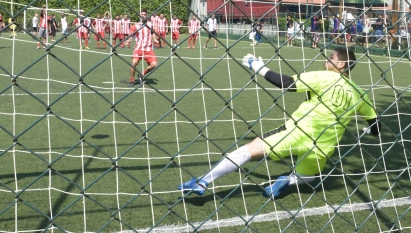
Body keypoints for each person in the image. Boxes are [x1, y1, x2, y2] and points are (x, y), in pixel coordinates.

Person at [178, 47, 380, 198]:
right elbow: (375, 125)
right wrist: (370, 130)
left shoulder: (325, 77)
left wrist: (258, 66)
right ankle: (288, 180)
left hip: (297, 132)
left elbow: (286, 83)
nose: (326, 59)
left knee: (248, 151)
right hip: (323, 146)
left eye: (331, 57)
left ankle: (203, 181)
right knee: (310, 177)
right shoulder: (359, 93)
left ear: (342, 65)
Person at [128, 10, 158, 87]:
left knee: (154, 64)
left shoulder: (150, 25)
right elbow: (131, 35)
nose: (143, 15)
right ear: (139, 16)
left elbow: (152, 32)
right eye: (142, 14)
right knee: (133, 63)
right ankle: (132, 80)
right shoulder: (135, 26)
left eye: (144, 14)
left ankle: (141, 74)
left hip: (148, 49)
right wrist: (129, 40)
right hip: (138, 49)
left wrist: (154, 39)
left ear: (147, 16)